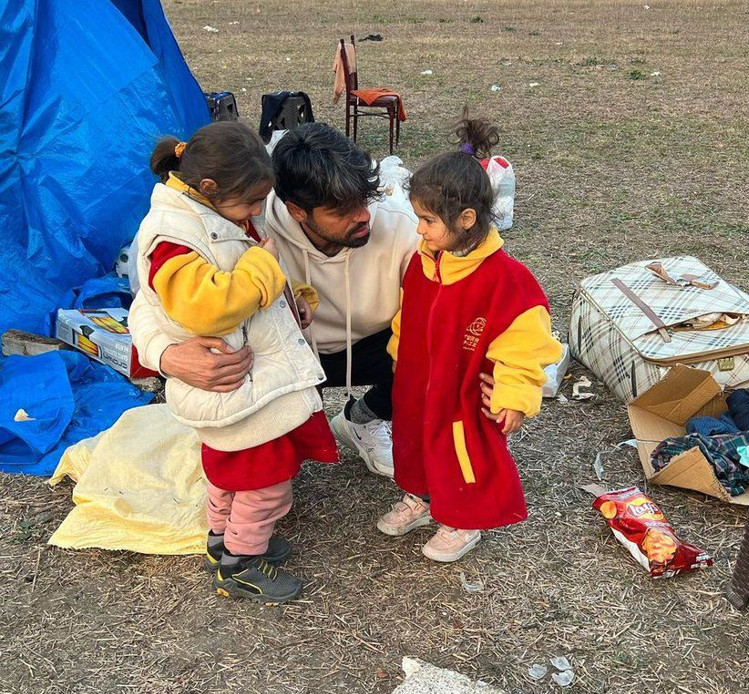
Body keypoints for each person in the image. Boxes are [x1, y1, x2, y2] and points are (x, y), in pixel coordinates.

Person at [131, 123, 418, 478]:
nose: (362, 217)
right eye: (342, 210)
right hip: (281, 355)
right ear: (297, 211)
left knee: (442, 356)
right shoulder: (245, 210)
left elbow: (447, 306)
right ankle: (246, 450)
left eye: (364, 200)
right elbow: (149, 299)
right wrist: (166, 356)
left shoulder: (402, 226)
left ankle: (364, 418)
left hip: (375, 346)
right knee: (205, 353)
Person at [131, 121, 338, 604]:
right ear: (209, 188)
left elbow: (244, 276)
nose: (255, 214)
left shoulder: (212, 214)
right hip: (236, 388)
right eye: (250, 204)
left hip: (243, 385)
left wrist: (291, 297)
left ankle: (222, 542)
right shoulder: (173, 236)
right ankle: (241, 564)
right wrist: (265, 268)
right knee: (265, 484)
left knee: (229, 475)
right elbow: (206, 305)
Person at [377, 128, 563, 562]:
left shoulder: (507, 280)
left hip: (465, 394)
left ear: (465, 219)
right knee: (414, 441)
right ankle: (421, 498)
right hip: (418, 383)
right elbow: (407, 316)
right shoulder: (424, 262)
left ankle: (464, 520)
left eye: (427, 221)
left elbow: (527, 344)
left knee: (463, 454)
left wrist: (515, 395)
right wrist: (399, 360)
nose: (419, 231)